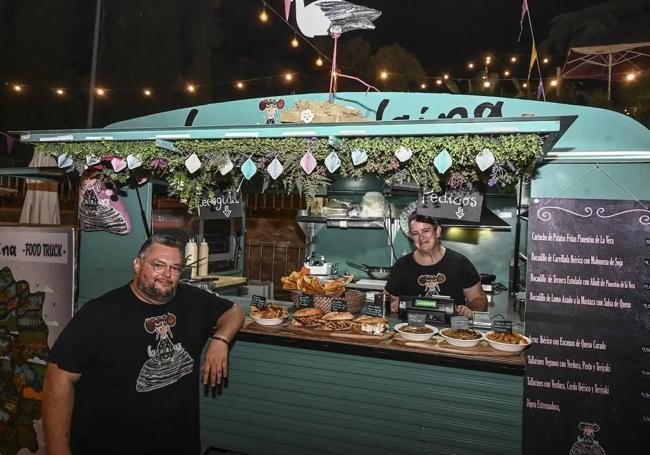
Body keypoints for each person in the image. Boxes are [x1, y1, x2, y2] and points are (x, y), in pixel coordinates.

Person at [42, 234, 245, 455]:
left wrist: (220, 339)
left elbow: (233, 312)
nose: (167, 275)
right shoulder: (100, 313)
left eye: (175, 268)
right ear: (137, 264)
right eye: (158, 265)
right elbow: (57, 380)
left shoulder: (191, 299)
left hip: (177, 445)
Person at [385, 212, 487, 318]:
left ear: (437, 231)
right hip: (410, 331)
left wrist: (471, 312)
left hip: (452, 332)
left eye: (426, 231)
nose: (421, 238)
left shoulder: (460, 263)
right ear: (411, 237)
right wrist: (392, 303)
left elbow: (479, 298)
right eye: (415, 233)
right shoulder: (402, 265)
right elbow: (387, 297)